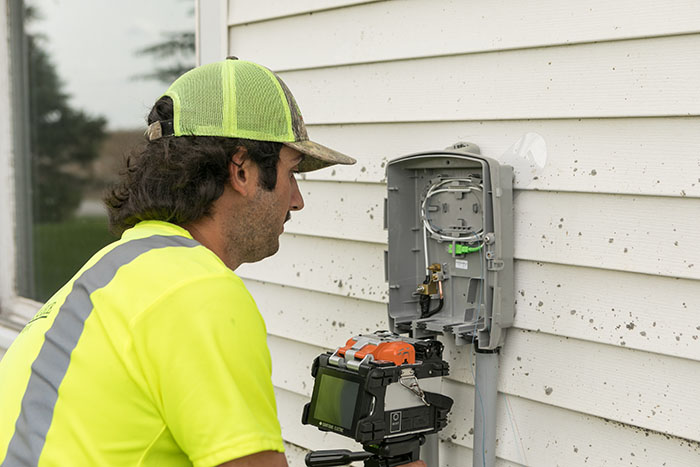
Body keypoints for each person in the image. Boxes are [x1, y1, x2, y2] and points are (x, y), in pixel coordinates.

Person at [0, 58, 426, 467]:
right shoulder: (199, 293)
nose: (297, 199)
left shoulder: (117, 266)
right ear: (241, 169)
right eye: (292, 170)